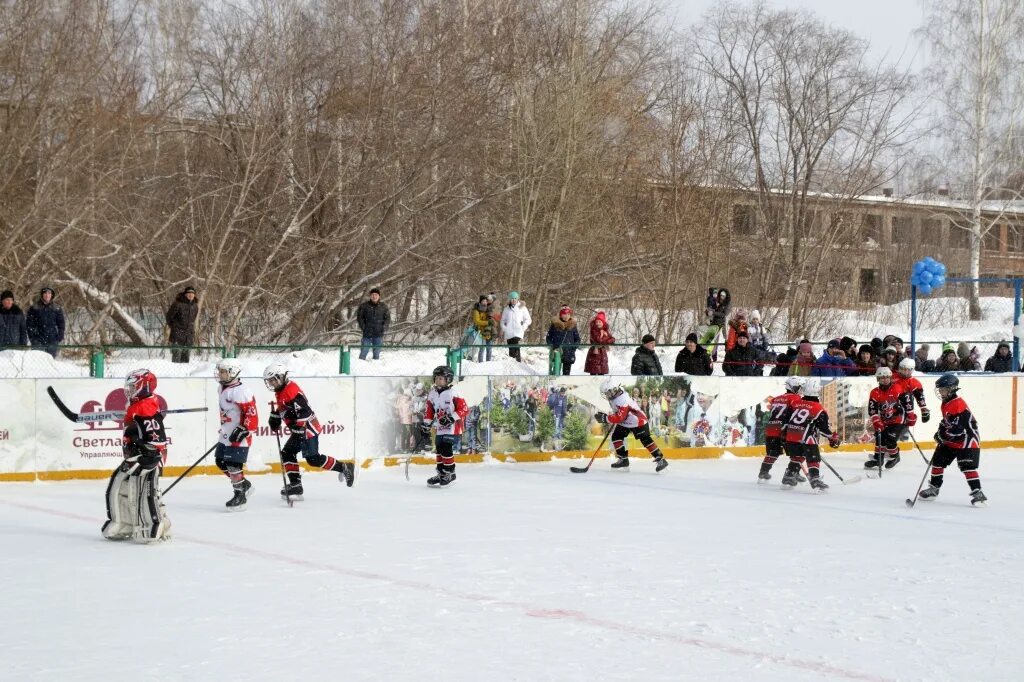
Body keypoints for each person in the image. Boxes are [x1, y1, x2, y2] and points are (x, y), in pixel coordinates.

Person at [264, 362, 354, 500]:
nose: (271, 384)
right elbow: (286, 406)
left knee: (313, 459)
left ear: (281, 377)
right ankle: (296, 485)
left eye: (273, 380)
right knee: (288, 453)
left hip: (308, 429)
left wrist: (298, 426)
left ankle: (345, 467)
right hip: (300, 430)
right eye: (269, 381)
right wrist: (276, 415)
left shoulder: (291, 389)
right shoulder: (282, 390)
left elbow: (304, 410)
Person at [101, 369, 171, 543]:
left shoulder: (145, 406)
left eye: (133, 387)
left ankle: (152, 525)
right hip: (135, 455)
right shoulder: (140, 404)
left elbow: (157, 437)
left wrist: (150, 453)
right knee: (121, 485)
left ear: (145, 387)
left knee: (143, 492)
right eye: (129, 387)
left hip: (146, 457)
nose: (129, 390)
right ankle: (123, 523)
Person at [918, 374, 987, 506]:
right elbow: (947, 422)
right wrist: (940, 432)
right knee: (938, 461)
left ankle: (978, 493)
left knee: (967, 466)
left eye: (943, 389)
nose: (940, 392)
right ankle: (934, 489)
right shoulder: (946, 403)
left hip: (967, 439)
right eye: (940, 390)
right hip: (953, 439)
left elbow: (959, 429)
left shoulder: (958, 404)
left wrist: (943, 435)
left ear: (952, 389)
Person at [595, 378, 668, 472]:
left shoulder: (623, 399)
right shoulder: (614, 397)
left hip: (638, 421)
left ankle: (661, 460)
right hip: (626, 421)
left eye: (607, 393)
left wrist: (605, 418)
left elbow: (620, 417)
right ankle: (623, 459)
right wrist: (609, 416)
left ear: (613, 390)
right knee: (616, 437)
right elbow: (619, 414)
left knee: (646, 440)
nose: (606, 395)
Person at [214, 358, 259, 510]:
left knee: (233, 464)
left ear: (233, 372)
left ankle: (240, 496)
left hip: (239, 435)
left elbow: (252, 414)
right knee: (220, 461)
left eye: (224, 372)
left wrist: (244, 429)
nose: (220, 374)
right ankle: (244, 484)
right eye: (219, 371)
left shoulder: (241, 391)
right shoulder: (222, 388)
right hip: (226, 432)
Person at [781, 379, 840, 491]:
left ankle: (789, 476)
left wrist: (784, 434)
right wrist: (832, 437)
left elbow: (785, 420)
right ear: (817, 392)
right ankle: (815, 479)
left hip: (791, 436)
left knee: (797, 457)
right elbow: (823, 429)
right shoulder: (818, 408)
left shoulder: (794, 403)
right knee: (814, 458)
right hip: (806, 438)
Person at [420, 365, 468, 487]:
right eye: (436, 378)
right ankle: (441, 474)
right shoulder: (432, 394)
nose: (438, 381)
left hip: (453, 428)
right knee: (439, 449)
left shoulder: (454, 392)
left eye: (441, 378)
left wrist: (451, 417)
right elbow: (429, 412)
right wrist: (426, 425)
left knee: (446, 448)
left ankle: (450, 473)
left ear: (448, 379)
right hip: (440, 428)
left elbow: (464, 409)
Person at [865, 367, 915, 474]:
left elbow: (908, 401)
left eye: (887, 377)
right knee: (880, 437)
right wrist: (876, 420)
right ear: (878, 379)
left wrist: (910, 415)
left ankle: (895, 456)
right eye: (882, 378)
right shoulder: (874, 392)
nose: (885, 379)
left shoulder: (897, 388)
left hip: (898, 419)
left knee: (890, 439)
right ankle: (878, 458)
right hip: (885, 420)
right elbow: (872, 409)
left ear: (890, 377)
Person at [757, 376, 805, 483]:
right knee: (798, 453)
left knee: (773, 453)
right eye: (799, 387)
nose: (800, 390)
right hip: (785, 429)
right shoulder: (796, 398)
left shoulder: (776, 398)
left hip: (771, 428)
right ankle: (793, 473)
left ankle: (763, 472)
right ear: (793, 387)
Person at [26, 287, 65, 358]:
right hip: (37, 339)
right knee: (37, 360)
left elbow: (61, 323)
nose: (47, 295)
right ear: (42, 295)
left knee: (50, 361)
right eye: (45, 293)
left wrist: (60, 335)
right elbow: (29, 324)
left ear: (52, 295)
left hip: (52, 339)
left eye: (49, 293)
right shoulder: (34, 307)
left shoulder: (57, 308)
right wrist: (32, 338)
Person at [165, 286, 199, 363]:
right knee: (176, 359)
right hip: (177, 335)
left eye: (192, 294)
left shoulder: (195, 306)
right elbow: (168, 317)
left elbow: (193, 319)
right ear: (185, 294)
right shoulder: (177, 304)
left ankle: (184, 374)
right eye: (189, 293)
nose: (191, 295)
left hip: (189, 335)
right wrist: (175, 327)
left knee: (186, 359)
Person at [357, 287, 390, 360]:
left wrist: (384, 328)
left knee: (377, 352)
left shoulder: (383, 306)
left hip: (378, 333)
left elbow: (387, 319)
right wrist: (363, 327)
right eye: (372, 295)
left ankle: (375, 366)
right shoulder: (364, 306)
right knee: (364, 351)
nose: (374, 296)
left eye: (376, 295)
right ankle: (360, 365)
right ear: (370, 296)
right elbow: (360, 318)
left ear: (379, 296)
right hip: (367, 333)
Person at [546, 305, 581, 375]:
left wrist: (574, 347)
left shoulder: (573, 325)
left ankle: (565, 385)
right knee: (556, 372)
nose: (566, 316)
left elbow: (577, 339)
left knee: (566, 374)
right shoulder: (555, 324)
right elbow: (548, 337)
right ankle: (555, 385)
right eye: (564, 314)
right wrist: (552, 346)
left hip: (568, 352)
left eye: (568, 314)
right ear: (561, 315)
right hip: (557, 352)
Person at [896, 358, 930, 426]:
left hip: (905, 408)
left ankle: (905, 432)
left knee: (907, 396)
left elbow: (920, 397)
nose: (904, 371)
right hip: (891, 405)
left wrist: (924, 410)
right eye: (902, 369)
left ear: (911, 370)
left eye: (906, 370)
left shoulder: (915, 382)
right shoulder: (893, 377)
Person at [500, 291, 532, 362]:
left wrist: (523, 327)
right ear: (510, 299)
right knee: (511, 349)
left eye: (515, 298)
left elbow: (528, 319)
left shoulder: (522, 308)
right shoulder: (506, 309)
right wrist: (504, 328)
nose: (514, 300)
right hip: (509, 332)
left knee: (515, 345)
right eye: (512, 298)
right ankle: (514, 365)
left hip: (518, 331)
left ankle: (518, 362)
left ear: (517, 299)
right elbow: (502, 320)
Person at [584, 311, 614, 375]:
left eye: (600, 322)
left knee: (601, 371)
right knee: (593, 371)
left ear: (603, 323)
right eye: (596, 322)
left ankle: (601, 384)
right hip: (595, 353)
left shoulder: (605, 331)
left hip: (602, 353)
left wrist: (607, 339)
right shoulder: (593, 330)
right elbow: (599, 340)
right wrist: (607, 337)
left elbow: (613, 339)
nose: (598, 323)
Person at [471, 295, 496, 362]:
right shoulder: (476, 310)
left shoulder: (488, 310)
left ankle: (488, 362)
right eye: (483, 301)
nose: (485, 302)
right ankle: (481, 363)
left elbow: (494, 319)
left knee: (489, 349)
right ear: (480, 302)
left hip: (489, 331)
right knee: (482, 349)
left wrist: (492, 322)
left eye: (486, 301)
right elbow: (477, 321)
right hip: (480, 332)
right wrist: (487, 322)